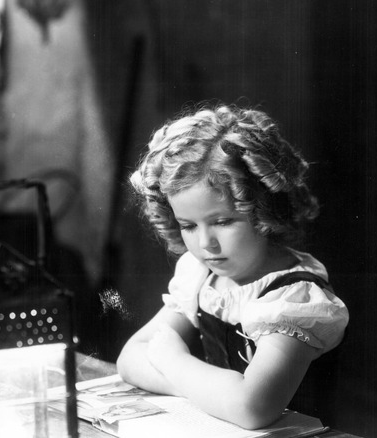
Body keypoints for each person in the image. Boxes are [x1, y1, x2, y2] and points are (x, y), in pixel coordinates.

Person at [116, 104, 349, 429]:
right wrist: (206, 389)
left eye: (223, 221)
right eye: (189, 225)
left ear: (263, 212)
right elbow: (130, 359)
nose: (205, 244)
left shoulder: (294, 299)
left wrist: (175, 362)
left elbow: (251, 407)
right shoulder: (202, 278)